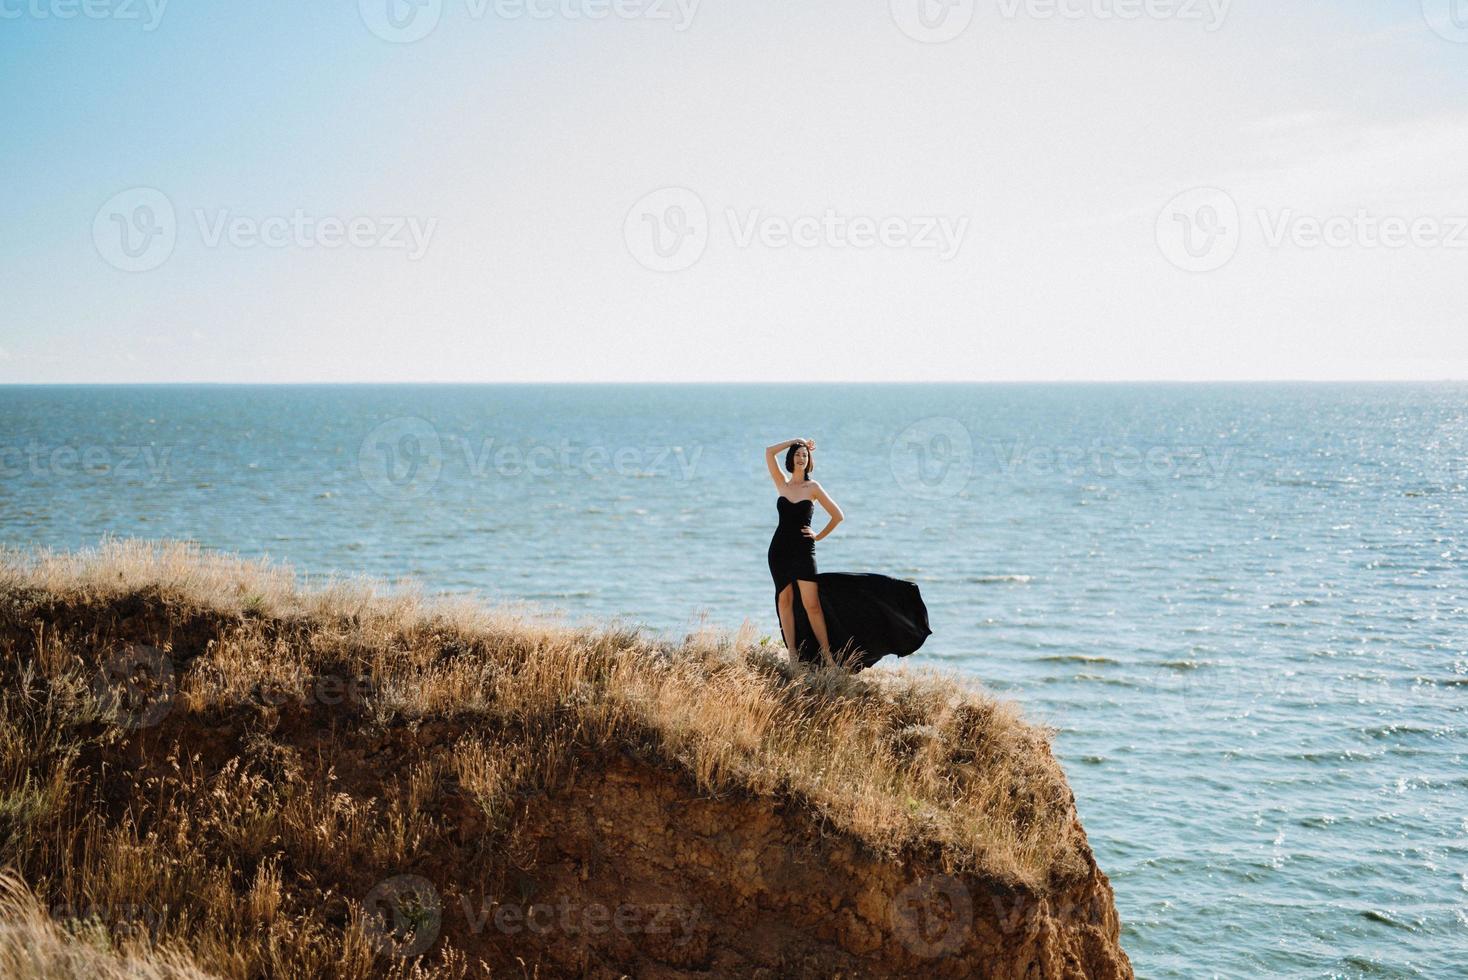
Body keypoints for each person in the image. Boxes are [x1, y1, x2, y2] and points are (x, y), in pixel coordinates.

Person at [764, 437, 932, 671]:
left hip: (803, 550)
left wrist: (818, 536)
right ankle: (792, 655)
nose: (801, 458)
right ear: (791, 458)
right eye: (797, 454)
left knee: (812, 605)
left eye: (804, 455)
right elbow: (769, 452)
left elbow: (837, 515)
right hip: (779, 550)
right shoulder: (782, 484)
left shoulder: (813, 488)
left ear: (809, 460)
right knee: (785, 601)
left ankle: (829, 657)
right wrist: (797, 440)